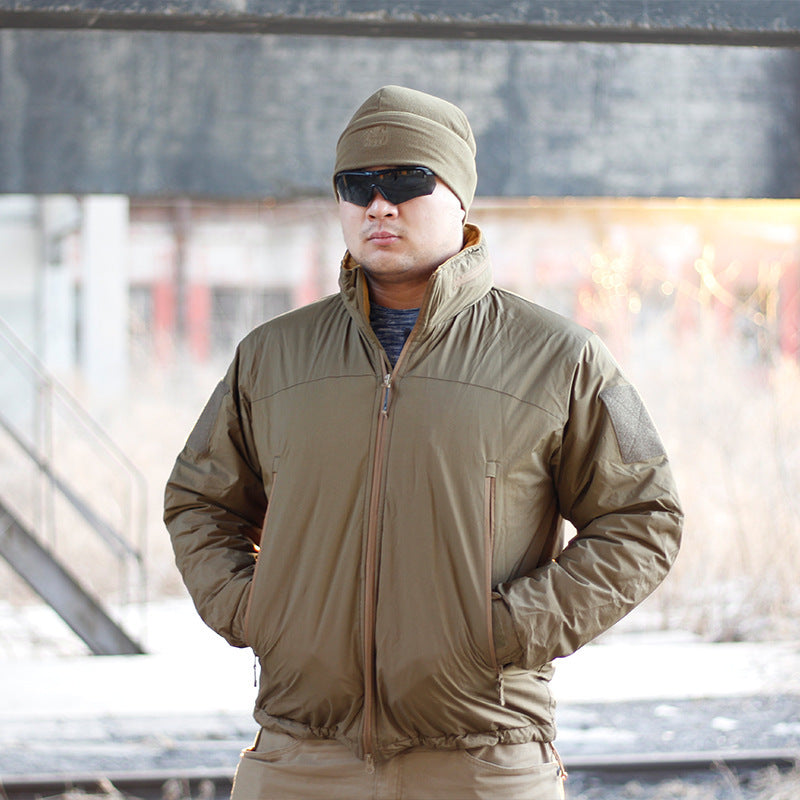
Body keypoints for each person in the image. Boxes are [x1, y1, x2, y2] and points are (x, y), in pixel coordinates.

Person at [164, 85, 683, 800]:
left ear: (460, 198)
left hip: (483, 759)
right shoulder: (272, 356)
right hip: (299, 759)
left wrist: (507, 630)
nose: (379, 204)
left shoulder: (558, 356)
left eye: (407, 181)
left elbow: (643, 518)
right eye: (357, 185)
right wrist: (258, 614)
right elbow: (199, 499)